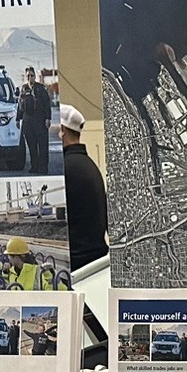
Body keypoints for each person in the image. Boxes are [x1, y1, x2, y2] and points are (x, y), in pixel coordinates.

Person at [62, 105, 109, 269]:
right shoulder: (87, 165)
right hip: (96, 264)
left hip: (79, 269)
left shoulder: (67, 168)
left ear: (62, 130)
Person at [18, 67, 53, 175]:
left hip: (40, 121)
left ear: (35, 76)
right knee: (32, 146)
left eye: (32, 75)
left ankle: (43, 168)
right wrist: (18, 119)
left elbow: (47, 104)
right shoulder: (23, 89)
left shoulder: (40, 89)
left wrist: (48, 118)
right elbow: (20, 105)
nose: (30, 77)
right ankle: (34, 167)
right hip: (28, 122)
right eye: (28, 75)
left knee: (42, 146)